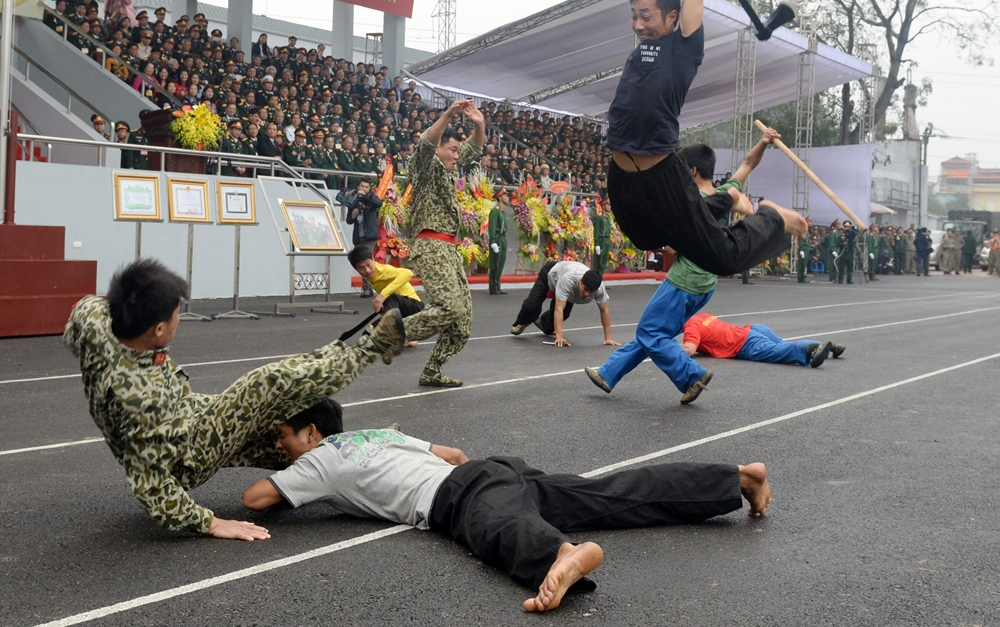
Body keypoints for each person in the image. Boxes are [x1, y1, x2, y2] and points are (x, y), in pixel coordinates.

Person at [241, 399, 772, 612]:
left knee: (496, 528)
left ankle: (560, 555)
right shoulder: (375, 434)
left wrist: (290, 469)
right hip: (492, 470)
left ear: (312, 431)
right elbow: (452, 453)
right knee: (610, 492)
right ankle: (736, 479)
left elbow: (254, 498)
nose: (281, 448)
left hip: (459, 494)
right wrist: (492, 481)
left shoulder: (318, 462)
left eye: (284, 437)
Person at [62, 259, 405, 540]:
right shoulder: (139, 400)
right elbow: (153, 487)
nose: (178, 317)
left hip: (188, 412)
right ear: (159, 331)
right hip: (185, 455)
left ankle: (346, 464)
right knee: (260, 387)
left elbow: (83, 310)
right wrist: (211, 523)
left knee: (277, 435)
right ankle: (371, 349)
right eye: (176, 313)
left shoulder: (95, 318)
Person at [603, 0, 806, 277]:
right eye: (634, 16)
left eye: (646, 16)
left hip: (662, 174)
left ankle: (771, 216)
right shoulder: (646, 39)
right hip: (622, 174)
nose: (638, 25)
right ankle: (719, 202)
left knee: (722, 259)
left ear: (672, 17)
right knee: (643, 238)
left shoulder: (684, 47)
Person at [585, 133, 776, 405]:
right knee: (655, 333)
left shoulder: (688, 201)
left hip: (684, 280)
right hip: (706, 284)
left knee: (650, 333)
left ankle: (691, 375)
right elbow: (748, 163)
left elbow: (672, 245)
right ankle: (608, 373)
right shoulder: (724, 193)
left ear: (692, 171)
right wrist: (764, 142)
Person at [402, 99, 484, 388]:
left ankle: (432, 370)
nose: (456, 155)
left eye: (456, 151)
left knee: (462, 322)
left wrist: (480, 124)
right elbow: (427, 141)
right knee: (449, 306)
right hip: (430, 245)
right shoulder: (424, 167)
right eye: (451, 149)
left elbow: (475, 146)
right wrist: (449, 113)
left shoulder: (449, 169)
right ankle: (393, 332)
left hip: (449, 249)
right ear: (438, 150)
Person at [511, 261, 619, 348]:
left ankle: (543, 323)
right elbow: (559, 309)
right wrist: (559, 337)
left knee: (563, 317)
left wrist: (608, 338)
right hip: (551, 274)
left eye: (591, 292)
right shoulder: (568, 280)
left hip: (567, 284)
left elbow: (604, 310)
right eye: (585, 289)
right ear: (580, 281)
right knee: (532, 306)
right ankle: (521, 322)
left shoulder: (599, 288)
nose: (587, 294)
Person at [681, 313, 844, 368]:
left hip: (745, 344)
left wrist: (666, 345)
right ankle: (833, 347)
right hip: (752, 329)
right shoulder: (702, 316)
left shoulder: (691, 327)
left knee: (783, 352)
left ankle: (810, 348)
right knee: (782, 345)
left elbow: (689, 349)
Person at [347, 244, 421, 348]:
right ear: (356, 269)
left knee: (391, 297)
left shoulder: (384, 270)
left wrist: (382, 296)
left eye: (368, 264)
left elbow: (408, 273)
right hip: (400, 311)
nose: (367, 270)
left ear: (373, 258)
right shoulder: (370, 276)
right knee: (367, 335)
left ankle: (398, 334)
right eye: (361, 268)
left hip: (415, 307)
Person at [344, 177, 383, 298]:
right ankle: (368, 287)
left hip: (369, 236)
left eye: (366, 187)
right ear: (358, 187)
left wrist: (365, 196)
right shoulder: (354, 199)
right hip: (358, 236)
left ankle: (368, 287)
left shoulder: (372, 198)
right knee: (360, 261)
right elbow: (349, 220)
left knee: (366, 259)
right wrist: (353, 215)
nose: (364, 189)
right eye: (362, 187)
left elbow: (379, 203)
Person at [488, 188, 510, 295]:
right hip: (496, 237)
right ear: (500, 198)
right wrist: (493, 241)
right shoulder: (495, 211)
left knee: (501, 262)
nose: (507, 198)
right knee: (495, 263)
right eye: (505, 196)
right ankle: (493, 286)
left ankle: (498, 285)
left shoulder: (503, 211)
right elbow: (492, 226)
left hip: (503, 238)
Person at [592, 197, 612, 275]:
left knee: (604, 261)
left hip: (607, 240)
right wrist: (596, 244)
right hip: (601, 240)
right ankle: (595, 279)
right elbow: (596, 231)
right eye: (608, 205)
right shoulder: (599, 217)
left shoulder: (607, 218)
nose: (610, 207)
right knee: (598, 262)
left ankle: (600, 279)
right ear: (603, 206)